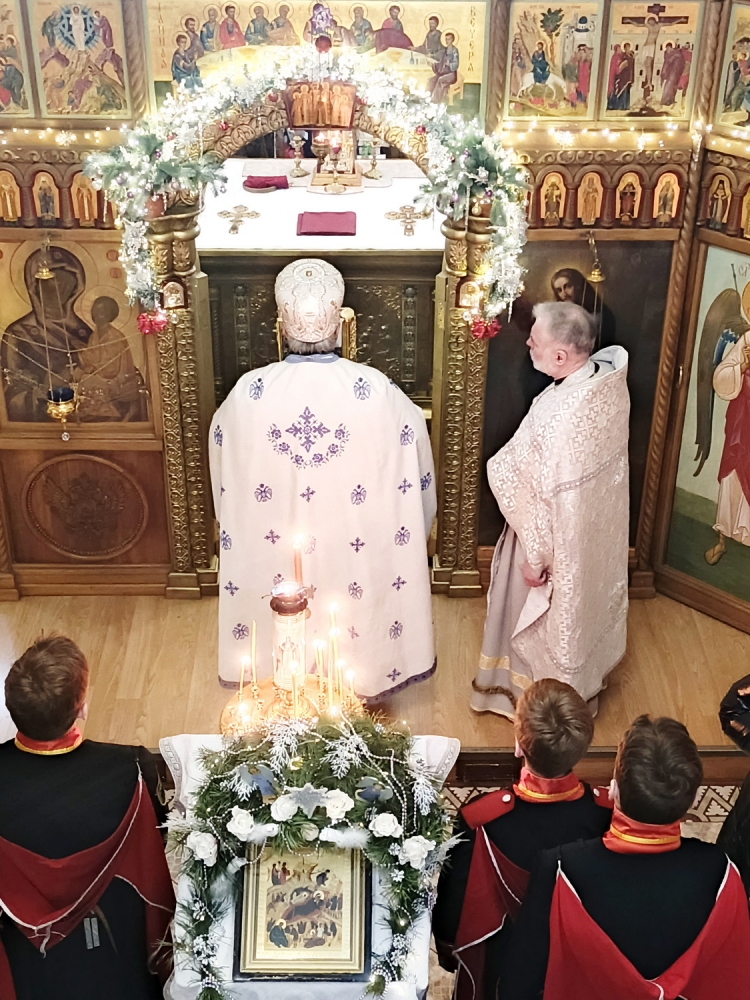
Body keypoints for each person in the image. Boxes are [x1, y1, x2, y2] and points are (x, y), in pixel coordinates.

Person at [209, 259, 436, 701]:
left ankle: (282, 685)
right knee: (353, 593)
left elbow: (223, 475)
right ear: (342, 325)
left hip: (275, 543)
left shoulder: (248, 393)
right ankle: (359, 681)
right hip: (354, 545)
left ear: (281, 328)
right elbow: (417, 469)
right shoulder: (376, 391)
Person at [503, 716, 750, 999]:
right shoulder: (722, 872)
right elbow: (731, 974)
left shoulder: (560, 868)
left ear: (614, 790)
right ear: (693, 801)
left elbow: (523, 974)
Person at [472, 302, 629, 719]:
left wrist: (536, 558)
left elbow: (547, 495)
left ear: (560, 356)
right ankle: (579, 692)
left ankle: (538, 707)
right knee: (577, 621)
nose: (527, 343)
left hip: (545, 543)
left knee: (539, 619)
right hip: (585, 543)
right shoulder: (605, 383)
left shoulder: (563, 419)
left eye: (535, 340)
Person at [0, 636, 174, 1000]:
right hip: (115, 947)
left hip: (25, 959)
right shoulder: (131, 769)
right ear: (81, 708)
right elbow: (159, 845)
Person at [433, 680, 611, 1000]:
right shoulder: (606, 813)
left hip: (504, 961)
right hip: (580, 958)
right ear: (582, 749)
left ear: (519, 745)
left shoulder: (480, 819)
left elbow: (453, 900)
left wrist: (446, 947)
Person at [704, 323, 750, 563]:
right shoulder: (748, 339)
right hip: (742, 418)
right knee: (733, 471)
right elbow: (722, 375)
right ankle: (723, 537)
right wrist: (741, 366)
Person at [427, 32, 459, 103]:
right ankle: (427, 98)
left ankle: (435, 100)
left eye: (449, 39)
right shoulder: (444, 50)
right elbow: (439, 60)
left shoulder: (454, 51)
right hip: (443, 72)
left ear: (453, 40)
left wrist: (449, 64)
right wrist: (432, 64)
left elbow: (456, 64)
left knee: (440, 80)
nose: (447, 41)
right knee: (431, 80)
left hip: (451, 74)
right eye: (446, 39)